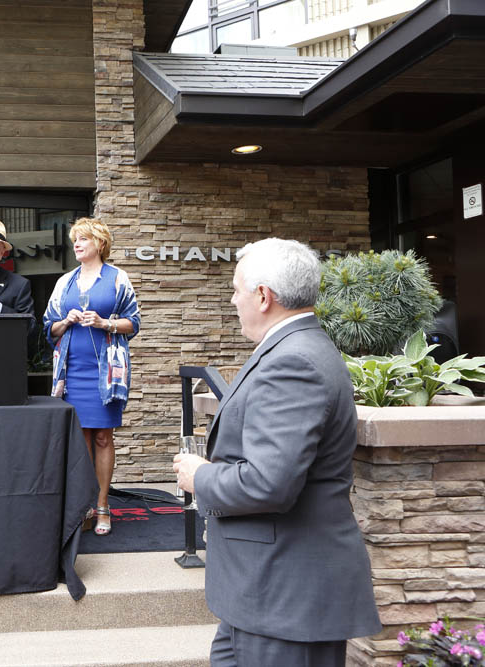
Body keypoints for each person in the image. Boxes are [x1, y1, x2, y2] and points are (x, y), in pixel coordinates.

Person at [173, 238, 381, 666]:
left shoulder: (294, 361)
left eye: (236, 290)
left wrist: (200, 476)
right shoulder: (295, 348)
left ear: (264, 296)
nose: (233, 301)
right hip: (262, 597)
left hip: (284, 596)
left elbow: (268, 483)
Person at [43, 217, 140, 536]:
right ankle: (83, 504)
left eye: (84, 238)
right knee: (81, 439)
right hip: (72, 373)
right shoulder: (64, 283)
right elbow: (49, 329)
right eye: (75, 240)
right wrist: (67, 321)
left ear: (100, 243)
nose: (77, 244)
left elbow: (134, 323)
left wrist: (104, 323)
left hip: (106, 373)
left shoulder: (117, 278)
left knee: (102, 437)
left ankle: (102, 506)